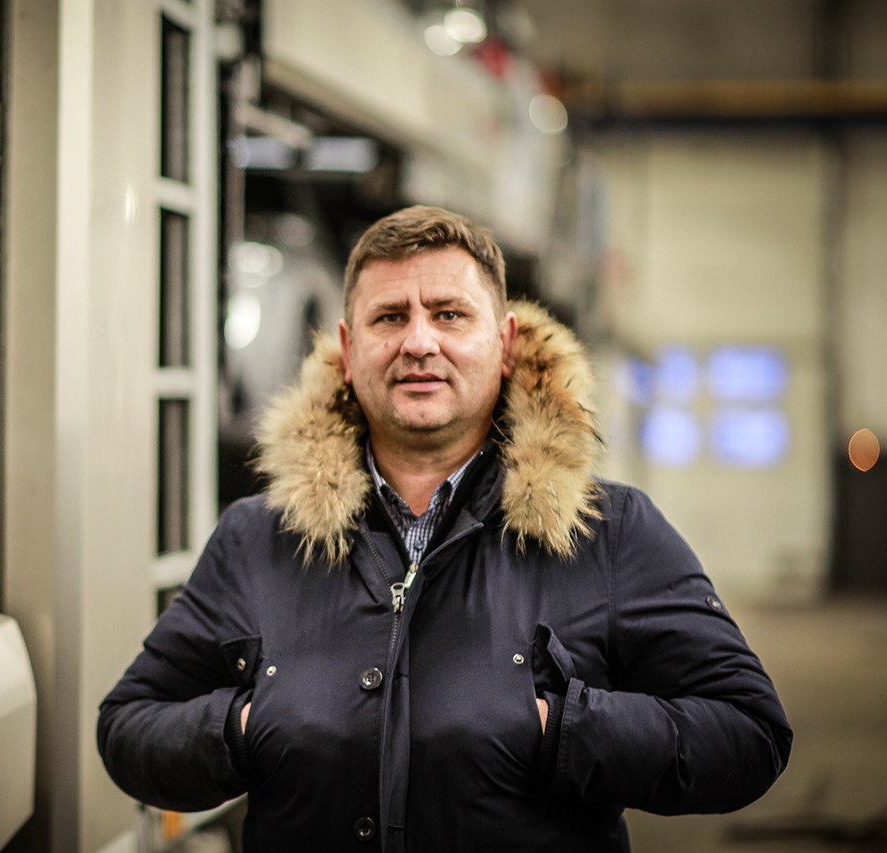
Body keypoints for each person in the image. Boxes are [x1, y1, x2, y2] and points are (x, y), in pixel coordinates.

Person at [98, 206, 791, 851]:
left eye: (450, 314)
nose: (418, 341)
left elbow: (747, 732)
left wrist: (561, 727)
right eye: (389, 317)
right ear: (347, 346)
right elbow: (128, 724)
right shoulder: (258, 537)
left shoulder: (607, 531)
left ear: (504, 339)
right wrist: (241, 728)